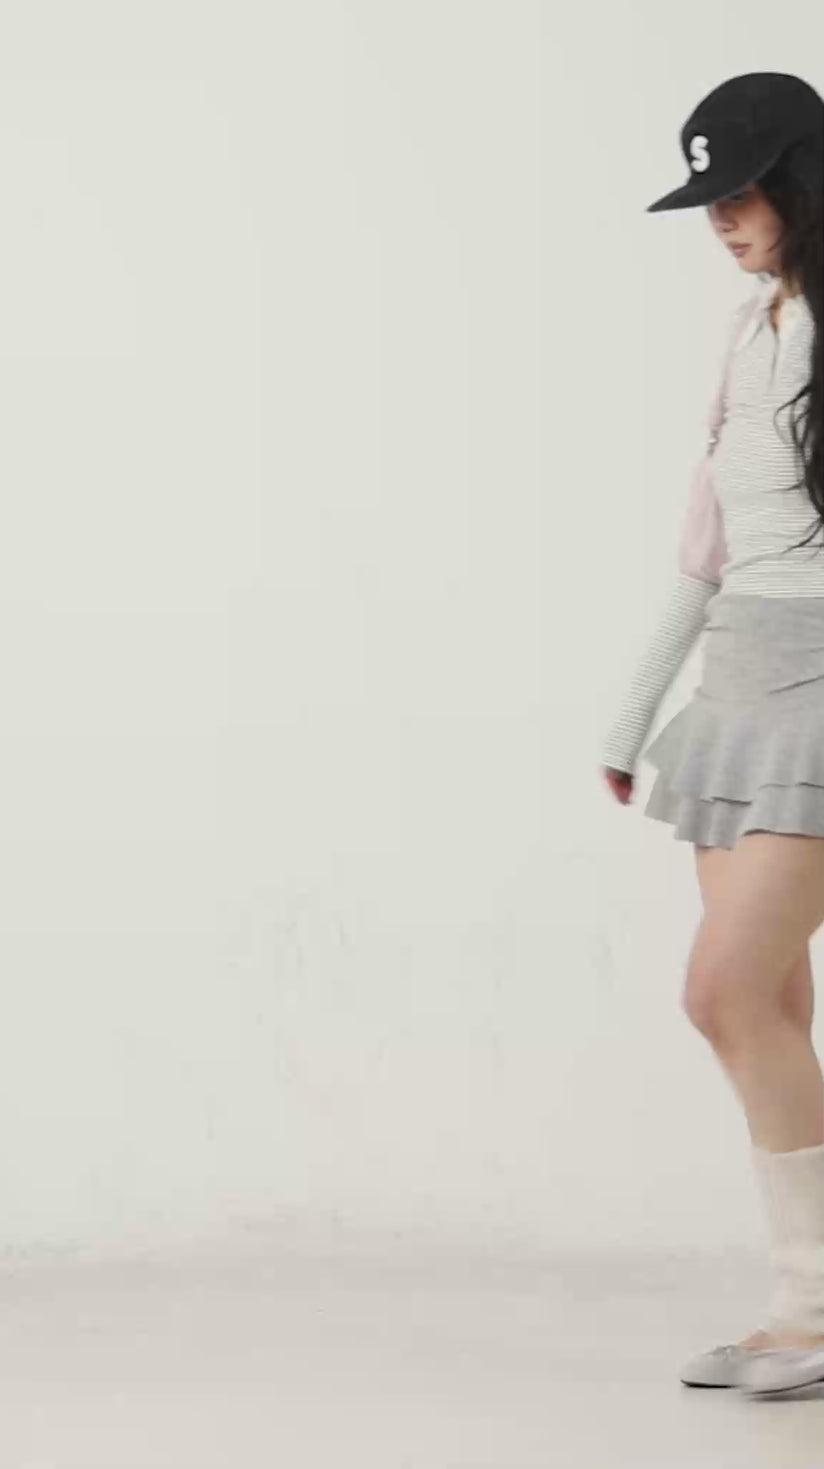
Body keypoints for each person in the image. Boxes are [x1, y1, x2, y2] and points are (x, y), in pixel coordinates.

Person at [598, 73, 824, 1397]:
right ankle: (804, 1307)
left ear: (801, 179)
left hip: (821, 683)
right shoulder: (752, 331)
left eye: (740, 192)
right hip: (734, 683)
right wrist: (635, 715)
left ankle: (817, 1310)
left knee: (722, 988)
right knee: (770, 1002)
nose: (721, 220)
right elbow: (705, 550)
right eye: (708, 199)